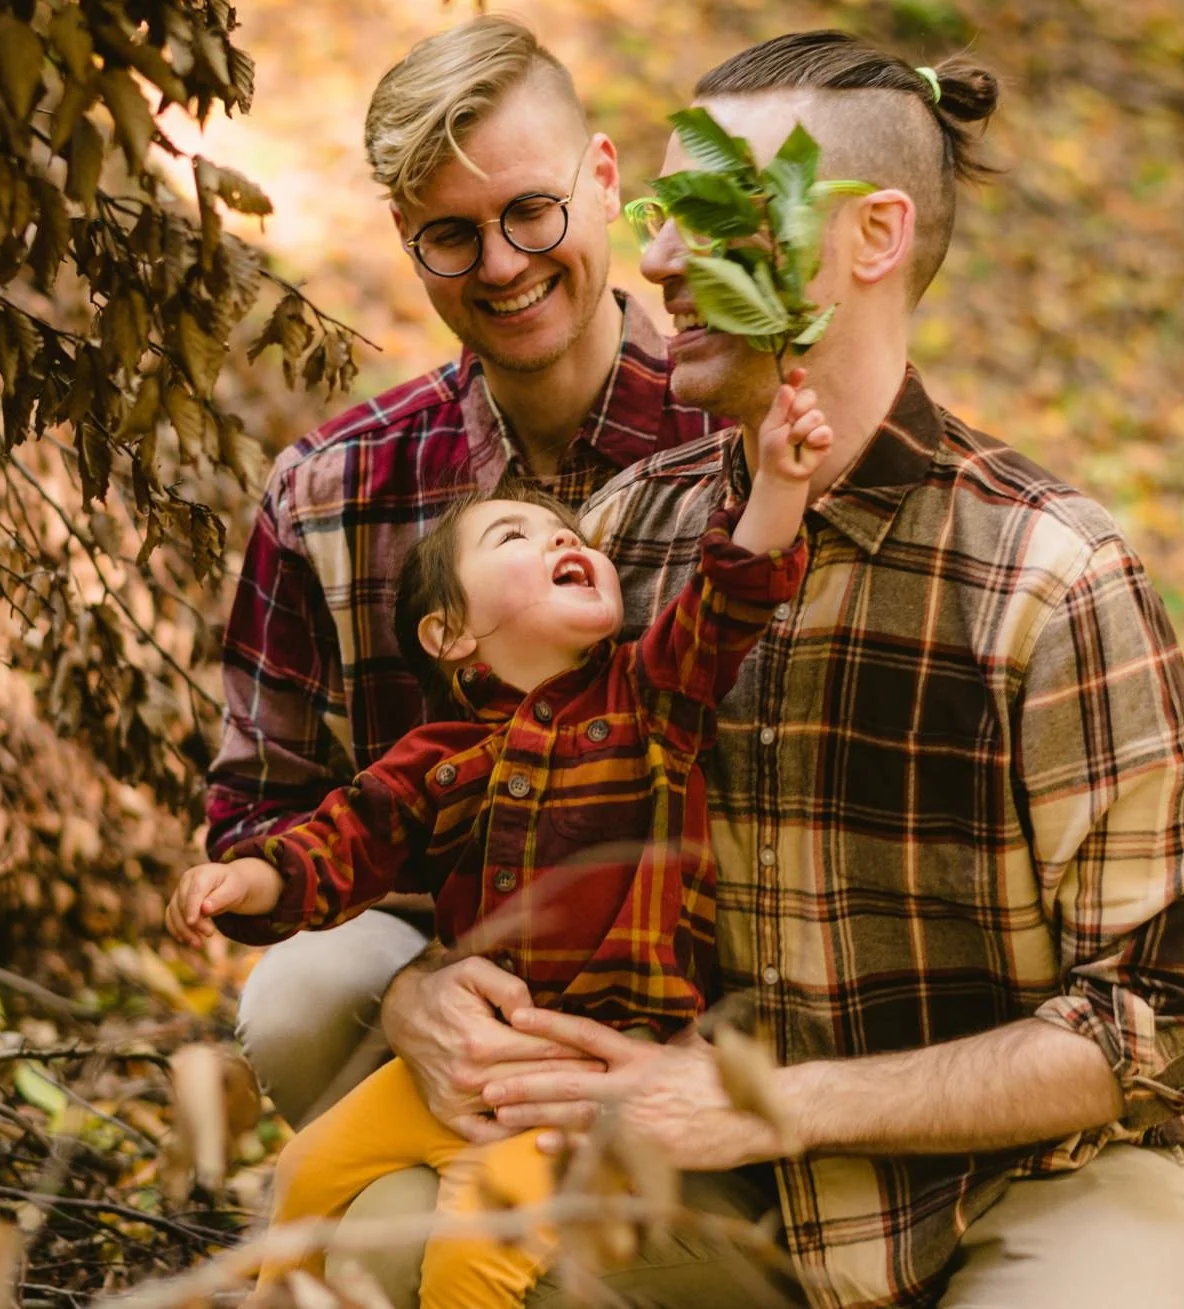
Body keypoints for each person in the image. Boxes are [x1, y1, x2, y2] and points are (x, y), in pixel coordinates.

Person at [376, 33, 1184, 1309]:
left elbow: (1164, 1017)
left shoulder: (1051, 579)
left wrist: (773, 1104)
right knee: (387, 1236)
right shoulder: (625, 543)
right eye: (664, 212)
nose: (659, 260)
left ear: (873, 236)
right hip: (726, 1192)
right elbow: (488, 824)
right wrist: (422, 990)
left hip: (1030, 1178)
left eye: (718, 209)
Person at [171, 376, 830, 1309]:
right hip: (472, 1057)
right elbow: (343, 842)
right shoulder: (438, 758)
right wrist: (248, 880)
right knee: (307, 1173)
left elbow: (728, 599)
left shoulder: (648, 698)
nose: (562, 541)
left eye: (571, 536)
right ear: (449, 633)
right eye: (515, 536)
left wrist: (779, 483)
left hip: (592, 1080)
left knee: (471, 1261)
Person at [205, 16, 714, 1133]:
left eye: (532, 211)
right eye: (450, 234)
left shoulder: (738, 438)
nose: (501, 266)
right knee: (298, 999)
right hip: (460, 952)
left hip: (697, 972)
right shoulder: (332, 492)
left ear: (603, 178)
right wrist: (406, 993)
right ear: (405, 234)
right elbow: (255, 817)